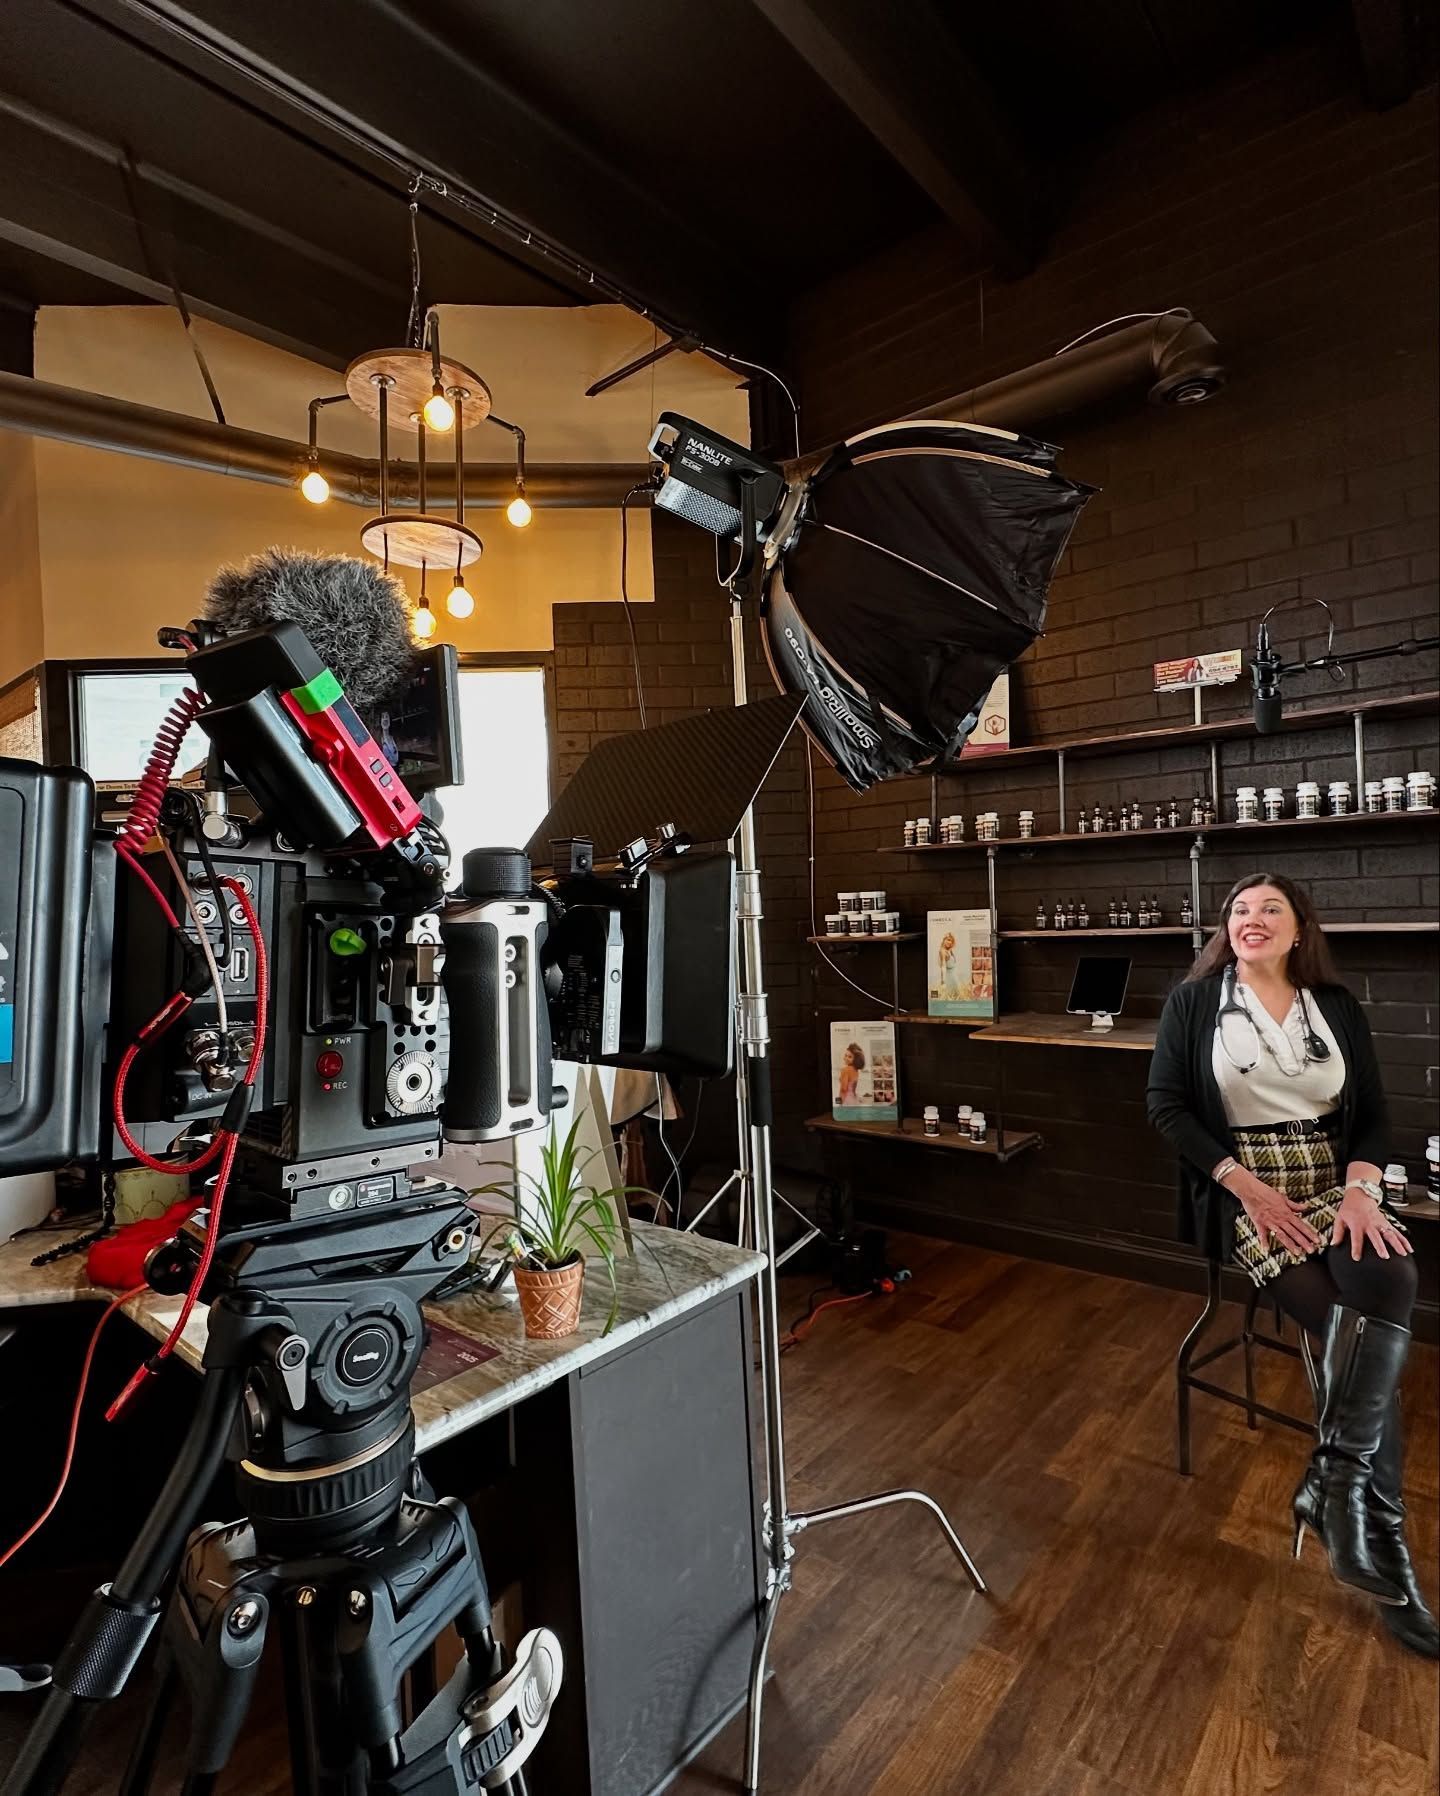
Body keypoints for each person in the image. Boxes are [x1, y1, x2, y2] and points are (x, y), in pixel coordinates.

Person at [1147, 872, 1435, 1658]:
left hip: (1335, 1186)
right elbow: (1165, 1106)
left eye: (1271, 908)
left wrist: (1361, 1192)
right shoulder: (1194, 1003)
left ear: (1300, 928)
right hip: (1245, 1191)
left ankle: (1334, 1490)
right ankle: (1387, 1557)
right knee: (1360, 1329)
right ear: (1226, 927)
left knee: (1392, 1284)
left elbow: (1373, 1116)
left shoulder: (1336, 1008)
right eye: (1240, 909)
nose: (1252, 918)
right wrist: (1245, 1188)